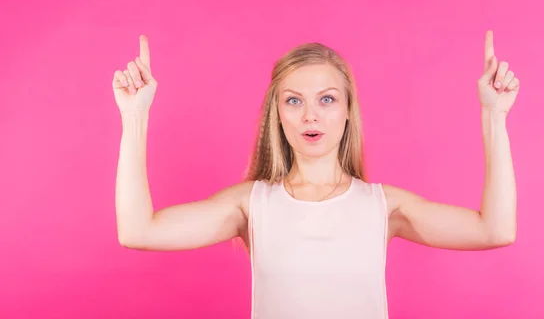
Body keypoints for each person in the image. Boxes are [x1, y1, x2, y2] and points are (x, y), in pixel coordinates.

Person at [113, 31, 519, 318]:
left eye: (327, 99)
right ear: (278, 112)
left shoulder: (384, 206)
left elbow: (494, 231)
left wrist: (494, 116)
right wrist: (134, 116)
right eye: (294, 100)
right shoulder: (250, 205)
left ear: (347, 110)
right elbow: (138, 232)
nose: (311, 115)